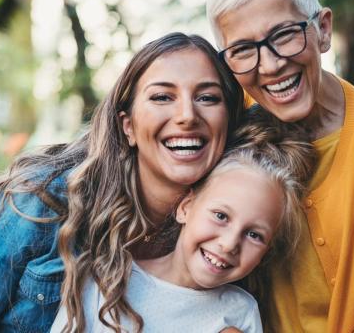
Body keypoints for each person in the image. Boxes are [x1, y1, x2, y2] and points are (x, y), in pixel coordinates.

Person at [0, 33, 244, 332]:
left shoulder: (234, 231)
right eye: (162, 97)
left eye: (208, 98)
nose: (187, 115)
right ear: (127, 126)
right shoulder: (45, 200)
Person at [207, 0, 354, 332]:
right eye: (243, 50)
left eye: (283, 35)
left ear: (323, 30)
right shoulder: (226, 123)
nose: (269, 65)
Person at [50, 120, 317, 332]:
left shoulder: (240, 312)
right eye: (221, 216)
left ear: (266, 252)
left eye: (254, 234)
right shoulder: (106, 279)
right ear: (185, 207)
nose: (229, 243)